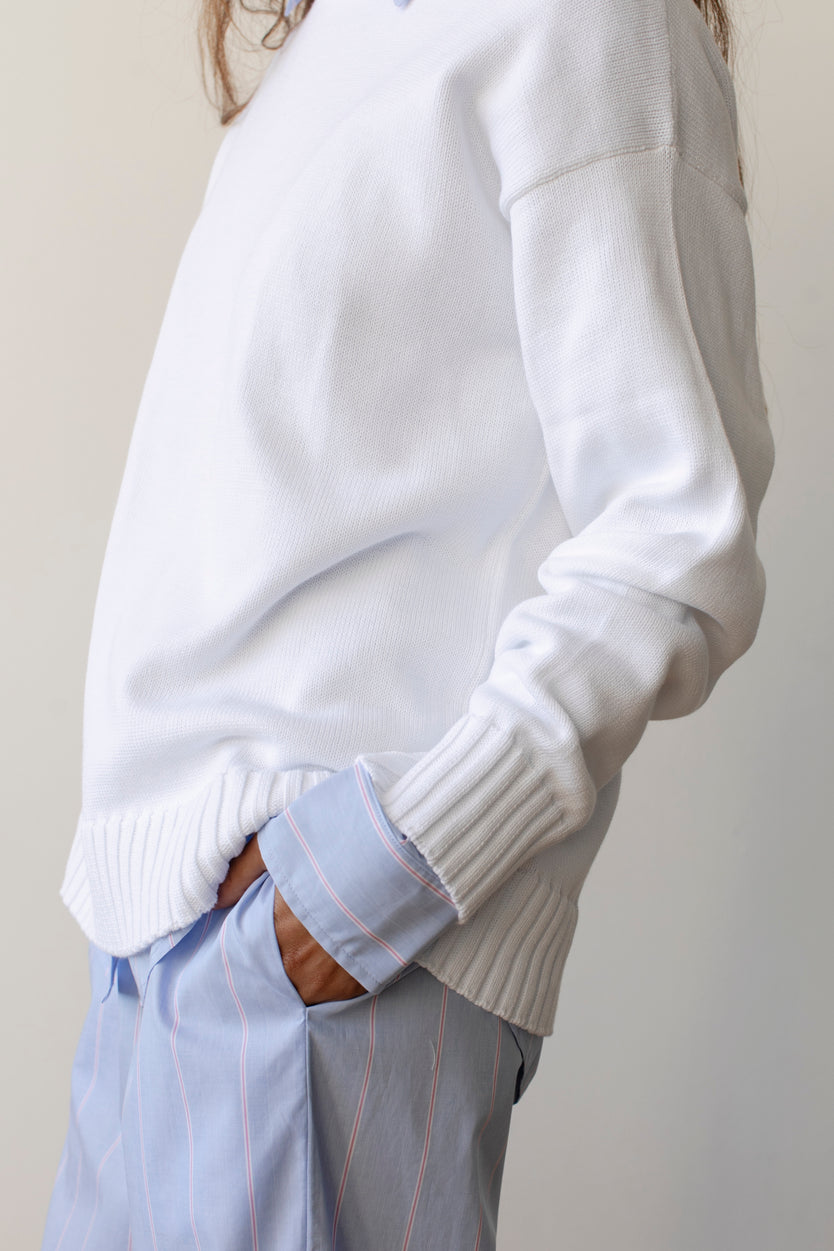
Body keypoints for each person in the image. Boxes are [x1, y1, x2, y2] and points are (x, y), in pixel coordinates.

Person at [42, 0, 775, 1246]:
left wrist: (377, 873)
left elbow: (677, 537)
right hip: (164, 954)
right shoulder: (331, 46)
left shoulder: (584, 22)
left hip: (327, 967)